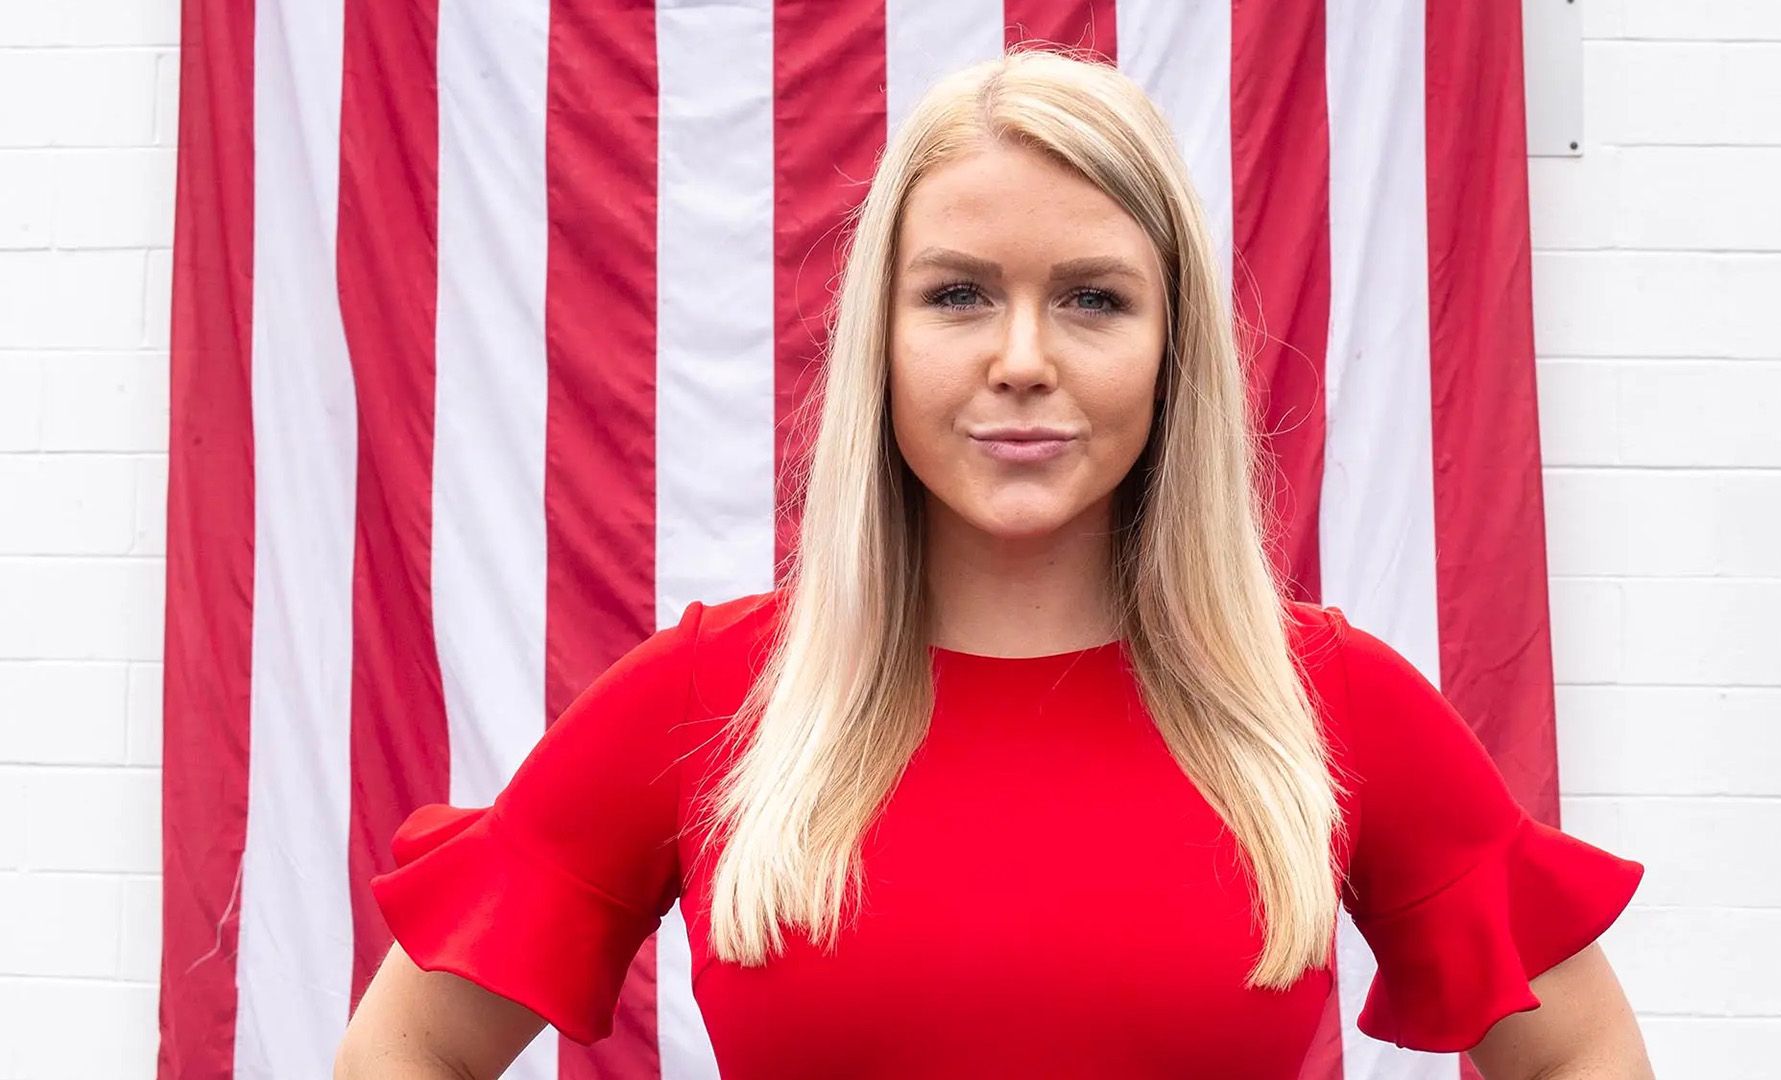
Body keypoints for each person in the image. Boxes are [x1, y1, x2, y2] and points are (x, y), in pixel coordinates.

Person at [335, 48, 1651, 1079]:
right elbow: (413, 1050)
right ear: (883, 341)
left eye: (1093, 298)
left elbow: (1579, 1051)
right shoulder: (712, 701)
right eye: (960, 294)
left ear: (1171, 349)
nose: (1021, 357)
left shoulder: (1323, 706)